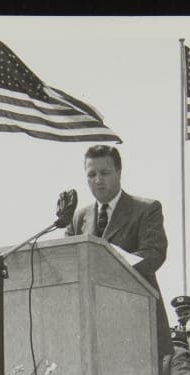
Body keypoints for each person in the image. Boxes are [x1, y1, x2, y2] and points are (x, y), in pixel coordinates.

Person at [63, 144, 171, 356]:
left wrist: (107, 263)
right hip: (92, 325)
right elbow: (68, 261)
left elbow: (154, 254)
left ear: (119, 173)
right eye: (91, 174)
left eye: (104, 173)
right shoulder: (78, 217)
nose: (98, 180)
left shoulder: (146, 209)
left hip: (136, 316)